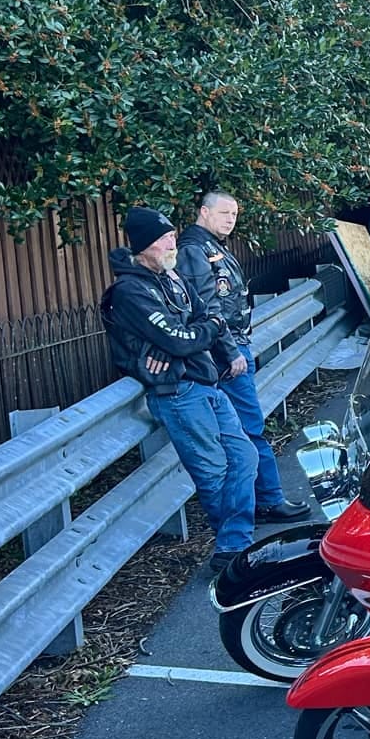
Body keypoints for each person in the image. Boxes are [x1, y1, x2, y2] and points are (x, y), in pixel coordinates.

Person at [100, 207, 257, 569]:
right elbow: (182, 338)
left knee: (244, 457)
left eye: (172, 235)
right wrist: (184, 336)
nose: (174, 241)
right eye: (165, 238)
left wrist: (192, 333)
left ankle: (234, 545)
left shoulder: (173, 278)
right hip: (178, 392)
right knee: (213, 471)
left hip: (207, 380)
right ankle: (232, 551)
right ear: (144, 246)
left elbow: (202, 319)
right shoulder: (129, 291)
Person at [177, 191, 308, 524]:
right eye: (224, 213)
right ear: (203, 212)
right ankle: (268, 500)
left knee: (245, 431)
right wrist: (232, 352)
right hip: (225, 354)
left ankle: (259, 500)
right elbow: (208, 309)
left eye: (234, 214)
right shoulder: (195, 250)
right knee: (250, 429)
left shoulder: (212, 247)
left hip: (231, 348)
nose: (230, 219)